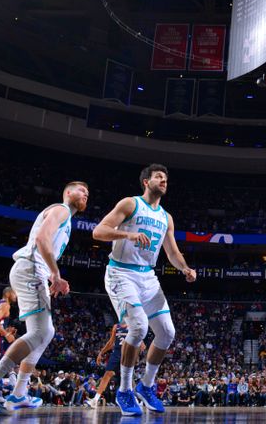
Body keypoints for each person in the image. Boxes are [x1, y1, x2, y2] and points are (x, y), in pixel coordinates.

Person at [0, 182, 88, 414]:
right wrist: (56, 275)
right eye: (81, 191)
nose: (86, 195)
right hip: (32, 268)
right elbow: (42, 239)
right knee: (40, 332)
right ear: (68, 193)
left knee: (46, 332)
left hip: (33, 270)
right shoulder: (61, 210)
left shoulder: (67, 219)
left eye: (88, 194)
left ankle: (19, 393)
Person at [93, 164, 196, 416]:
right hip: (121, 273)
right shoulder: (130, 204)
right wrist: (128, 235)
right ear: (146, 182)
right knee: (138, 327)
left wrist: (185, 268)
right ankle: (124, 390)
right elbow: (98, 231)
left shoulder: (166, 217)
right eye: (159, 177)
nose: (164, 181)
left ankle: (146, 385)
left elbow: (171, 252)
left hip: (147, 277)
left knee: (167, 332)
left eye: (166, 178)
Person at [87, 322, 145, 409]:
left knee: (128, 378)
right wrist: (101, 353)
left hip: (128, 354)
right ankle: (95, 400)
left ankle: (136, 399)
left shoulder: (134, 326)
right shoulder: (116, 326)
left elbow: (142, 345)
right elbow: (111, 343)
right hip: (116, 354)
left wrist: (136, 351)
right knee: (107, 375)